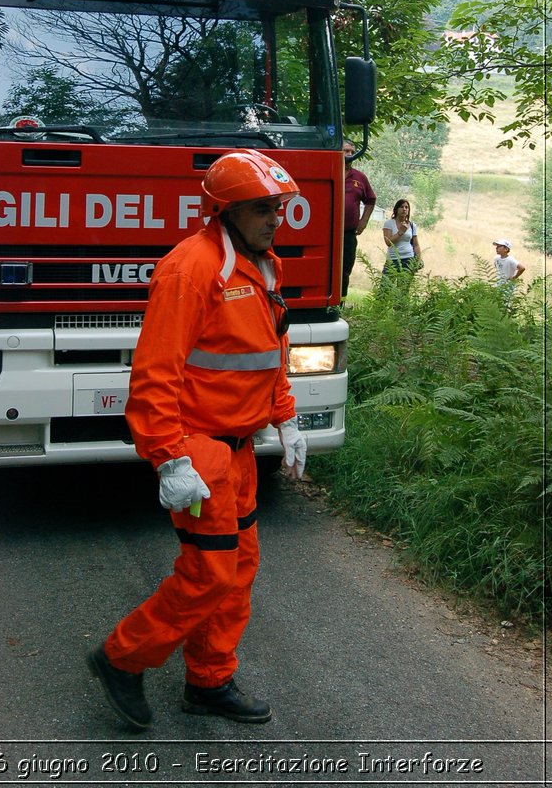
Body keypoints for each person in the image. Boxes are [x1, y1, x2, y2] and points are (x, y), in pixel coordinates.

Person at [87, 149, 308, 731]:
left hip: (238, 452)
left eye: (277, 209)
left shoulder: (261, 266)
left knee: (240, 569)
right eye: (262, 209)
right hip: (198, 451)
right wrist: (167, 457)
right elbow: (155, 373)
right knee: (210, 573)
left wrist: (285, 418)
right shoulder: (191, 269)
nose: (273, 220)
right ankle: (121, 658)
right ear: (226, 211)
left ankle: (208, 680)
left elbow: (265, 355)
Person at [342, 139, 376, 298]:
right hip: (326, 234)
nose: (349, 154)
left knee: (344, 270)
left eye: (351, 151)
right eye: (346, 150)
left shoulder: (359, 178)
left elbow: (371, 200)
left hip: (348, 234)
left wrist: (363, 222)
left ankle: (339, 303)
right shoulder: (327, 170)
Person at [382, 198, 422, 277]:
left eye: (406, 207)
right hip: (392, 260)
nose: (404, 209)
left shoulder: (412, 225)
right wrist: (400, 232)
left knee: (403, 288)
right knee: (385, 287)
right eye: (401, 207)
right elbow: (388, 242)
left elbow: (416, 245)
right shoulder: (389, 223)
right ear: (396, 209)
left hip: (408, 259)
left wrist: (418, 260)